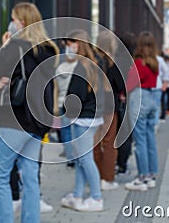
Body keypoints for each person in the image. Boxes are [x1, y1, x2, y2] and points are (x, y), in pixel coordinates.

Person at [0, 2, 59, 223]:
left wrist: (4, 46)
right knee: (30, 177)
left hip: (15, 119)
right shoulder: (49, 50)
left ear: (22, 22)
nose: (11, 21)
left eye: (13, 17)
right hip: (38, 121)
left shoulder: (14, 46)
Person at [60, 29, 105, 212]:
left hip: (82, 119)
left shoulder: (81, 67)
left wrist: (65, 110)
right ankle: (78, 195)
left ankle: (96, 198)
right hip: (94, 117)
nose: (68, 47)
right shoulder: (97, 63)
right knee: (81, 159)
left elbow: (74, 96)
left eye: (69, 43)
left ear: (78, 43)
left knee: (85, 159)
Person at [125, 31, 159, 192]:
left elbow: (131, 83)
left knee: (140, 140)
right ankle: (151, 175)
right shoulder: (155, 63)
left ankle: (142, 177)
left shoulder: (139, 63)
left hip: (139, 98)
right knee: (150, 138)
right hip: (152, 98)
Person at [93, 31, 124, 191]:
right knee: (110, 143)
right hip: (110, 107)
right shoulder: (113, 63)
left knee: (95, 143)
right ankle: (108, 179)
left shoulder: (92, 60)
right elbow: (120, 86)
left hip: (94, 107)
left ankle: (96, 176)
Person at [116, 32, 137, 175]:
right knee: (126, 132)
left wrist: (122, 92)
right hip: (131, 97)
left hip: (119, 97)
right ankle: (123, 163)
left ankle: (119, 162)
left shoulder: (117, 59)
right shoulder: (133, 60)